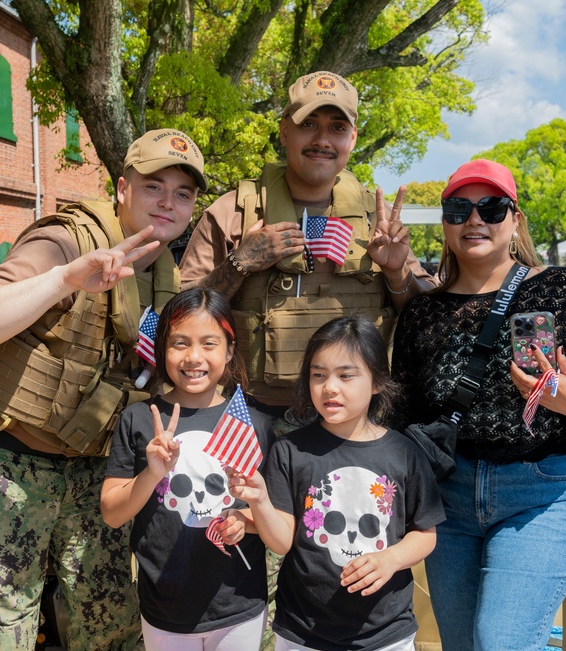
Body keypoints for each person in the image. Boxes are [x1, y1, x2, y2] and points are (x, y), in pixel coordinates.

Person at [0, 128, 208, 651]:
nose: (168, 202)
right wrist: (66, 277)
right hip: (7, 469)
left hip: (91, 474)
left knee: (111, 629)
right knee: (2, 638)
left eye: (183, 193)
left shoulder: (164, 271)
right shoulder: (66, 240)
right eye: (154, 186)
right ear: (121, 188)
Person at [390, 158, 566, 651]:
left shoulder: (564, 288)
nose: (475, 219)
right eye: (459, 208)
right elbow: (405, 410)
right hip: (450, 496)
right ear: (444, 223)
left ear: (515, 220)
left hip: (542, 488)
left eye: (492, 206)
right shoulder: (422, 312)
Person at [179, 70, 431, 421]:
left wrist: (396, 272)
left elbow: (426, 318)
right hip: (254, 416)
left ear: (353, 137)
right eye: (308, 124)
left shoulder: (380, 218)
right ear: (285, 131)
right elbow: (177, 316)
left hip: (354, 422)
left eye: (337, 128)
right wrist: (239, 263)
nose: (322, 140)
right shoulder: (234, 211)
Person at [227, 316, 445, 651]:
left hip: (386, 640)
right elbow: (281, 541)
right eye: (318, 375)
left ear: (376, 381)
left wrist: (390, 559)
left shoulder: (404, 453)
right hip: (303, 637)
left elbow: (425, 533)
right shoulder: (289, 451)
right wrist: (260, 500)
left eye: (346, 375)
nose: (330, 387)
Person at [102, 287, 275, 651]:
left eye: (209, 343)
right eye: (179, 343)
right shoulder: (138, 419)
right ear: (162, 349)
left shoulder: (254, 424)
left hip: (238, 605)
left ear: (230, 350)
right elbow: (112, 513)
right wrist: (152, 472)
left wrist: (244, 521)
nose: (194, 357)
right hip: (165, 605)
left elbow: (278, 522)